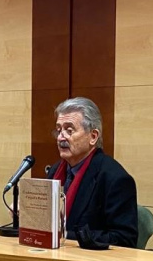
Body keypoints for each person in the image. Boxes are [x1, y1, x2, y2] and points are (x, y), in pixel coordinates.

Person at [46, 97, 138, 248]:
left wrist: (68, 236)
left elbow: (124, 239)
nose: (61, 137)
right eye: (58, 130)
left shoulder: (115, 179)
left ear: (93, 136)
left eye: (69, 130)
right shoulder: (56, 171)